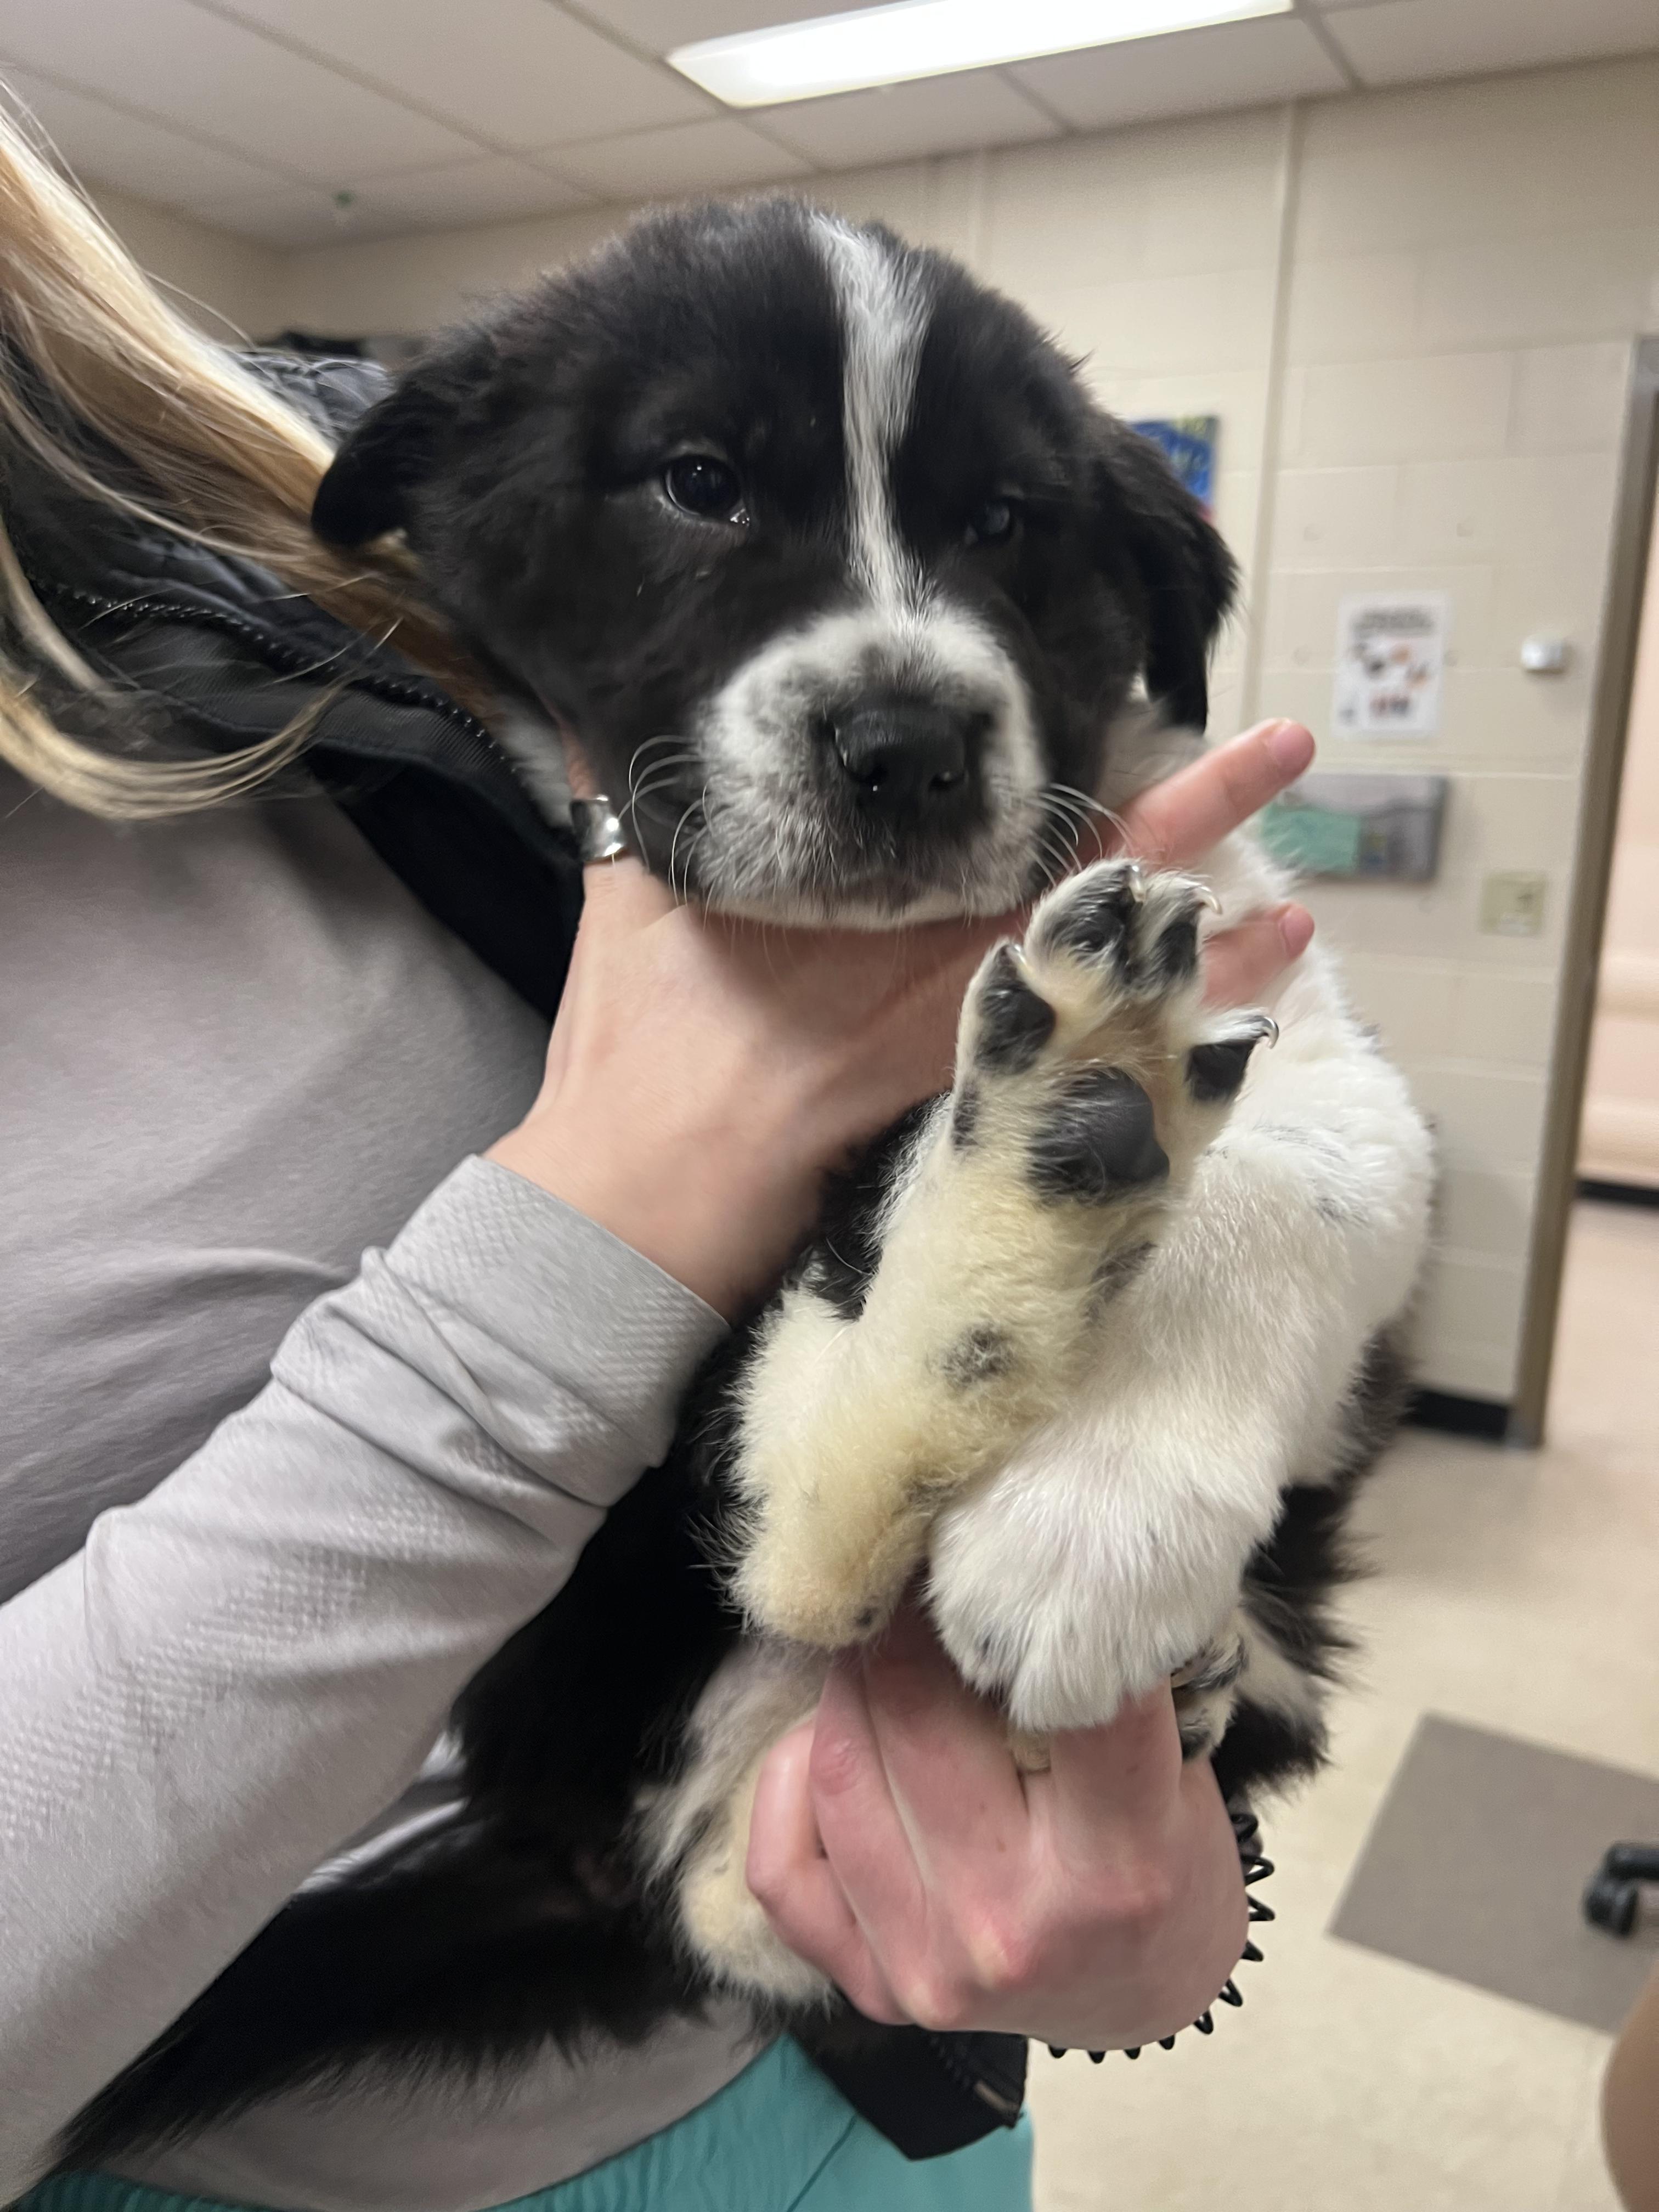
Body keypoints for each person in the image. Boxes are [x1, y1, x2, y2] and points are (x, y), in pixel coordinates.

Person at [0, 101, 1318, 2212]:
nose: (893, 659)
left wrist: (1165, 1834)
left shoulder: (276, 534)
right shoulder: (451, 485)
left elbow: (1174, 1300)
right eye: (713, 490)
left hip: (869, 2096)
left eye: (993, 532)